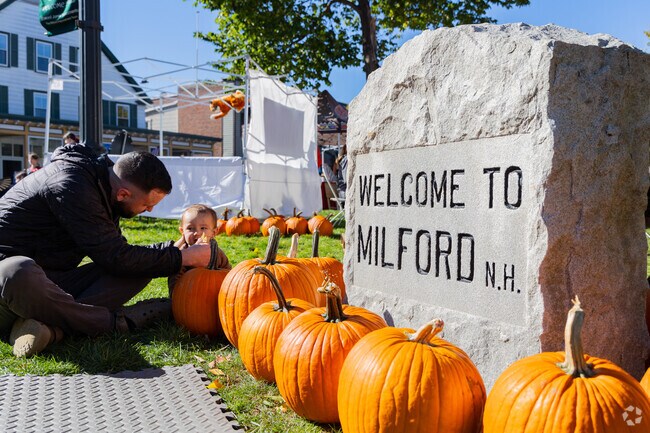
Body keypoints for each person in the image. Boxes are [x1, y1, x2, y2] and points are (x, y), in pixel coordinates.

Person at [0, 143, 214, 357]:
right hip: (9, 288)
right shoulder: (72, 184)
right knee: (18, 270)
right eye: (147, 205)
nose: (150, 210)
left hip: (50, 286)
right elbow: (115, 257)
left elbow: (121, 255)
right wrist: (179, 257)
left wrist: (171, 252)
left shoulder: (103, 190)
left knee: (144, 266)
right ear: (123, 194)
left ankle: (51, 329)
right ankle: (120, 323)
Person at [168, 204, 231, 296]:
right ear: (182, 231)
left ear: (214, 232)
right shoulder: (183, 254)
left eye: (203, 228)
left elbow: (228, 273)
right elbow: (175, 282)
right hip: (190, 296)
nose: (197, 233)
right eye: (190, 228)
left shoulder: (217, 253)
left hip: (214, 295)